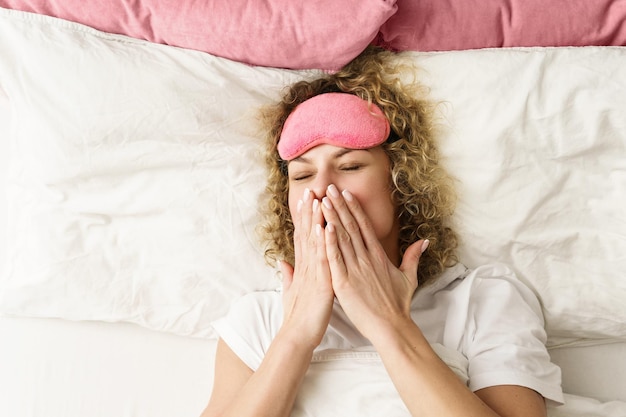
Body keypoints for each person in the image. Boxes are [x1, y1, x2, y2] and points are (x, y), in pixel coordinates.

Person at [200, 47, 563, 417]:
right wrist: (295, 333)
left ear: (401, 183)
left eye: (351, 166)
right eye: (303, 175)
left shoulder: (483, 301)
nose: (322, 188)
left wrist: (389, 324)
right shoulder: (257, 319)